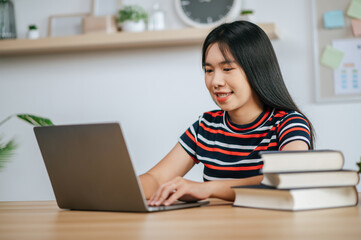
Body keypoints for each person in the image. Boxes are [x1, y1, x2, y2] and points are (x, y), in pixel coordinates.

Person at [140, 21, 314, 207]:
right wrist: (112, 188)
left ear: (257, 70)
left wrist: (208, 188)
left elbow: (288, 178)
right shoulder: (205, 127)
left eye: (227, 69)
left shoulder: (289, 123)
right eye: (208, 70)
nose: (215, 81)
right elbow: (156, 178)